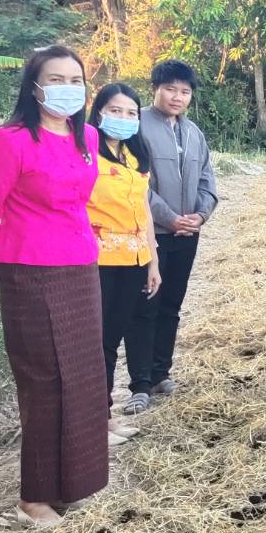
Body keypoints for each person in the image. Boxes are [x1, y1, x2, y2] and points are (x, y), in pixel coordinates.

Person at [0, 45, 108, 530]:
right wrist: (23, 246)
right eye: (57, 78)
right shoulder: (9, 141)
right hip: (30, 274)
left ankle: (73, 483)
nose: (68, 88)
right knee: (45, 383)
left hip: (81, 269)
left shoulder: (86, 135)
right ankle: (34, 498)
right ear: (34, 86)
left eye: (76, 79)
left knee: (85, 377)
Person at [136, 59, 218, 409]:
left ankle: (160, 373)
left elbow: (206, 178)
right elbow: (136, 185)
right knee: (146, 305)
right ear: (155, 88)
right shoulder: (136, 124)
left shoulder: (194, 133)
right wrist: (169, 218)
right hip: (151, 232)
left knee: (171, 305)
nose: (177, 97)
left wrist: (201, 214)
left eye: (184, 91)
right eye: (170, 89)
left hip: (187, 233)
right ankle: (138, 383)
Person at [85, 84, 162, 443]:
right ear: (98, 112)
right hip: (96, 260)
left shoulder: (134, 155)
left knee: (112, 339)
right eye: (115, 111)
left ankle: (105, 415)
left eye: (132, 112)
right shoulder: (85, 154)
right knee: (96, 341)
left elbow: (144, 209)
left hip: (133, 258)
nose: (124, 118)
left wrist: (152, 261)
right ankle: (93, 421)